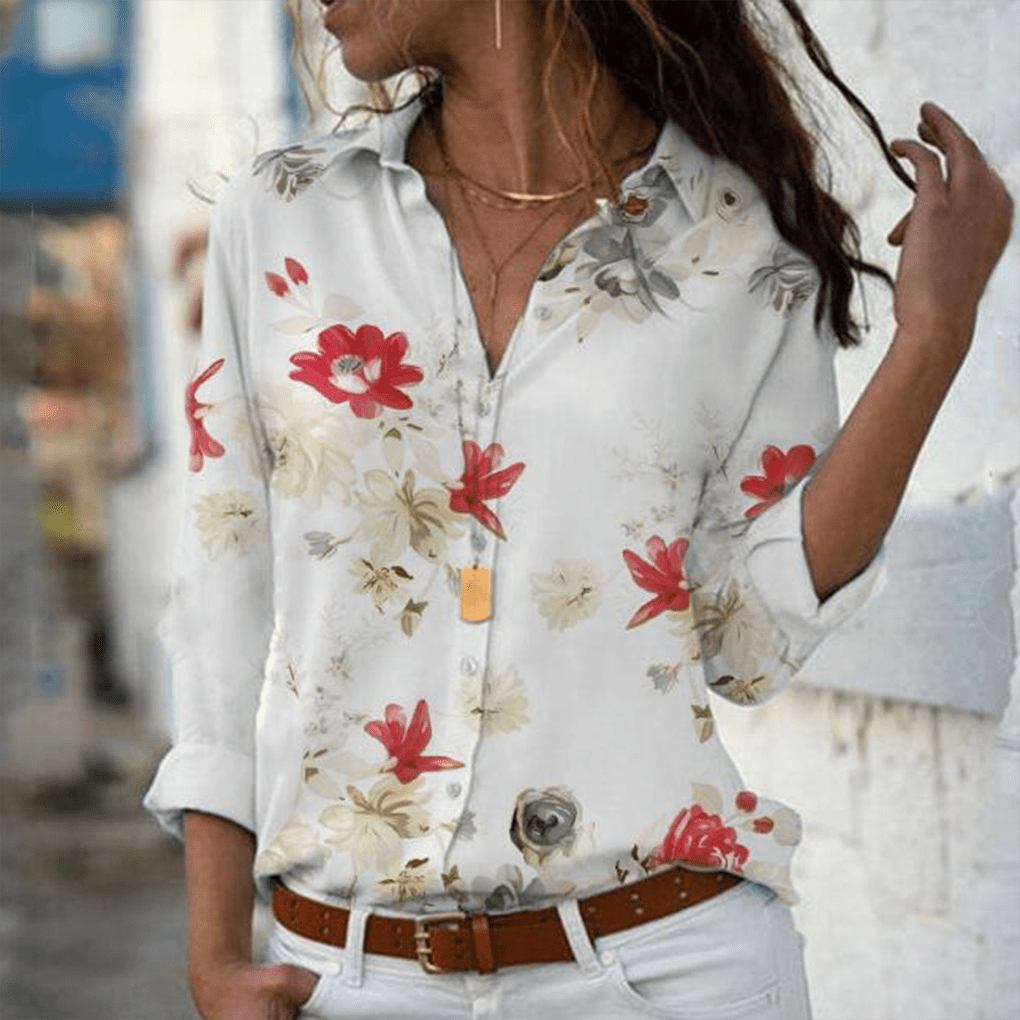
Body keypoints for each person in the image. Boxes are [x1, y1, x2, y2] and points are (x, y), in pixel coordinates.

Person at [143, 1, 1013, 1018]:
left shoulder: (740, 239)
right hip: (347, 979)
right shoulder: (285, 215)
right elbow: (221, 590)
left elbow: (747, 640)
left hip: (667, 969)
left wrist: (931, 340)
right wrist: (214, 956)